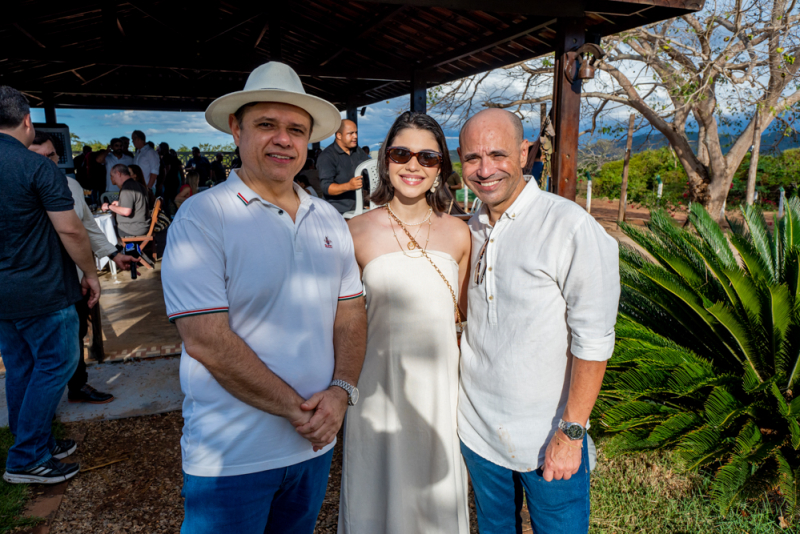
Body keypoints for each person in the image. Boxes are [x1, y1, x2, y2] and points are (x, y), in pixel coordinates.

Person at [162, 61, 367, 533]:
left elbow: (351, 314)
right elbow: (207, 340)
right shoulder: (202, 218)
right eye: (267, 125)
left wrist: (341, 392)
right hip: (231, 456)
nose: (284, 139)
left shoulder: (327, 219)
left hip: (313, 447)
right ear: (236, 129)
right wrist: (301, 411)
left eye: (296, 129)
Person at [456, 109, 620, 534]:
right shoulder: (468, 229)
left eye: (497, 154)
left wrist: (571, 434)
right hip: (477, 431)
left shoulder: (569, 227)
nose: (485, 169)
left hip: (548, 439)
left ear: (524, 153)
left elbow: (594, 341)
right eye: (472, 157)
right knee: (495, 528)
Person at [340, 111, 471, 533]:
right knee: (374, 504)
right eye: (402, 153)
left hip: (440, 396)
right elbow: (340, 324)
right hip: (378, 393)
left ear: (440, 168)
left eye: (427, 157)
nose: (413, 165)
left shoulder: (459, 234)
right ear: (386, 160)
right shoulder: (354, 232)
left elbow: (461, 318)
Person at [0, 86, 99, 484]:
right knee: (57, 363)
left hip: (5, 293)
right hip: (43, 288)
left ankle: (34, 441)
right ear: (27, 121)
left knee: (22, 367)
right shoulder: (37, 167)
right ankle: (26, 459)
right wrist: (90, 273)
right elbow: (71, 230)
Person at [29, 132, 132, 405]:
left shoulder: (71, 185)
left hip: (73, 276)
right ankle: (39, 408)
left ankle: (78, 386)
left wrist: (112, 253)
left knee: (75, 333)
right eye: (38, 157)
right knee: (42, 346)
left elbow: (86, 226)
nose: (47, 162)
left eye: (51, 156)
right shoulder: (20, 187)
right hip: (38, 279)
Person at [318, 119, 368, 215]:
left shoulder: (358, 151)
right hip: (336, 213)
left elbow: (369, 171)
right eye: (351, 133)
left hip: (358, 209)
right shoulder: (327, 156)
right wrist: (348, 186)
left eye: (356, 133)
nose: (355, 136)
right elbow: (326, 187)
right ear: (339, 135)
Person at [102, 164, 149, 238]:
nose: (111, 178)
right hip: (142, 226)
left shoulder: (127, 188)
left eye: (112, 175)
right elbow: (137, 203)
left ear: (118, 173)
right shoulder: (138, 185)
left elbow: (126, 211)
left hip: (131, 229)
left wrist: (109, 206)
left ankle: (116, 249)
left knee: (104, 231)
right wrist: (120, 203)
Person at [159, 142, 183, 217]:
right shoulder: (174, 157)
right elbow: (181, 169)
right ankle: (179, 213)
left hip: (169, 182)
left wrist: (162, 180)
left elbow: (167, 168)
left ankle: (167, 215)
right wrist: (183, 179)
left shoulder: (166, 157)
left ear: (162, 149)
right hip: (175, 181)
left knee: (166, 199)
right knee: (173, 198)